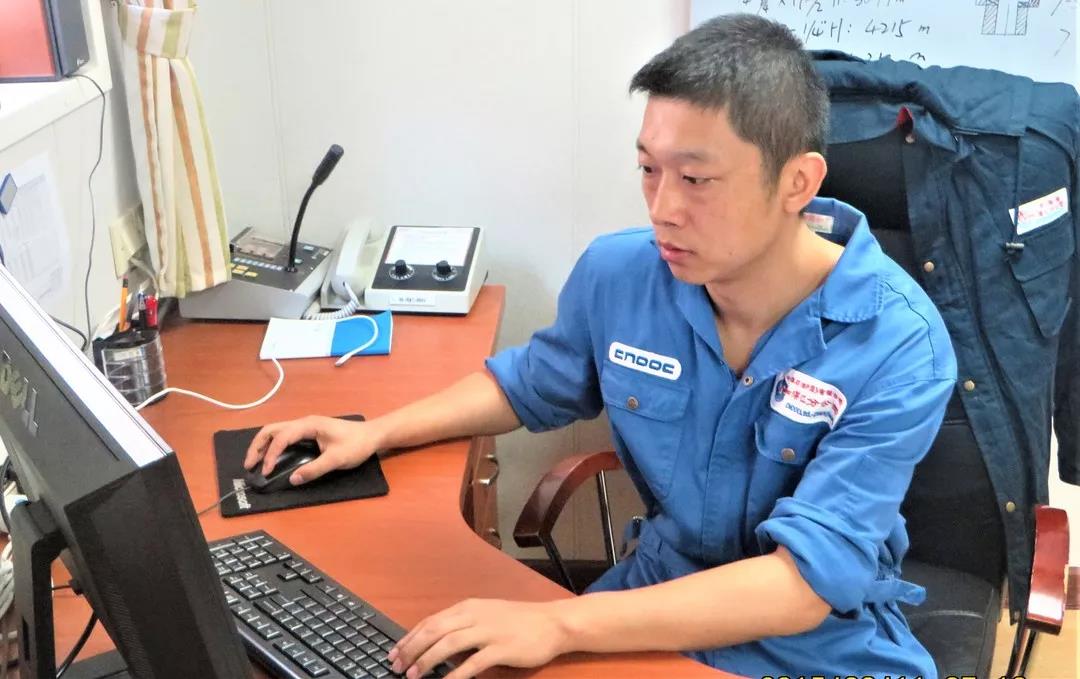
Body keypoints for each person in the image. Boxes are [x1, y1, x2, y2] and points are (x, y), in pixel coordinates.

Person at [245, 14, 956, 679]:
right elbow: (528, 384)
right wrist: (375, 432)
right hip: (653, 601)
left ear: (797, 182)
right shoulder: (621, 274)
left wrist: (559, 622)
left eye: (696, 179)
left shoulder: (898, 342)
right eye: (648, 169)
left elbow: (802, 584)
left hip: (817, 644)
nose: (662, 208)